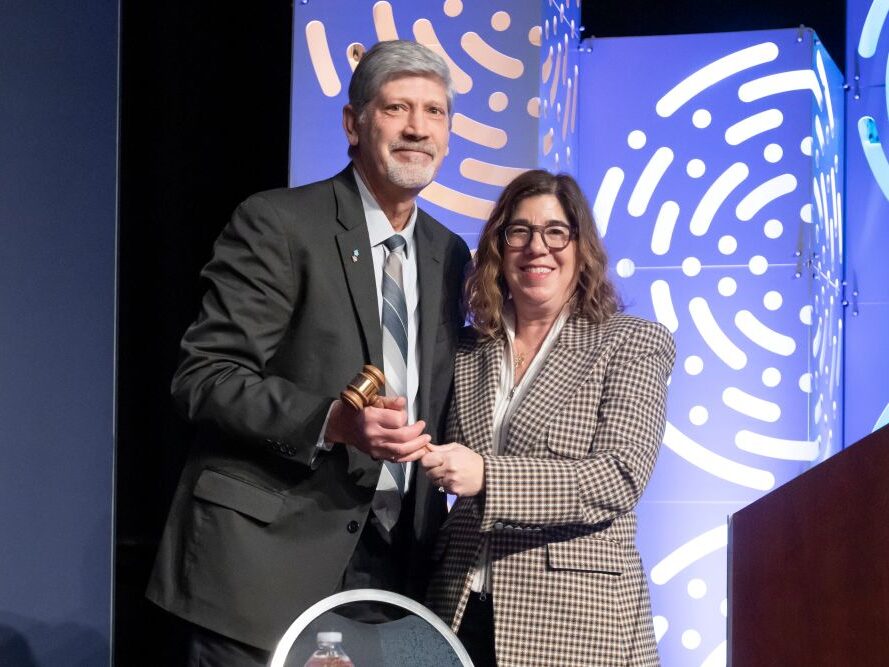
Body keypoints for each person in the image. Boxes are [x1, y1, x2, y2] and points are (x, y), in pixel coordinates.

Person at [146, 40, 471, 666]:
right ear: (353, 124)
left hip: (395, 575)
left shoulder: (449, 253)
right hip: (262, 570)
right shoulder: (278, 223)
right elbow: (204, 376)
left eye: (434, 112)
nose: (416, 129)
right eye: (396, 108)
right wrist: (330, 420)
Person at [419, 170, 675, 666]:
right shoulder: (469, 349)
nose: (538, 247)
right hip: (459, 608)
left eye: (556, 232)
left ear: (581, 249)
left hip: (577, 620)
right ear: (499, 247)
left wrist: (488, 476)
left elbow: (619, 475)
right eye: (520, 232)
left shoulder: (632, 342)